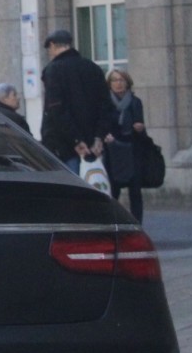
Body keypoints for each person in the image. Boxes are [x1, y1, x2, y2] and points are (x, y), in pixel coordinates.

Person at [40, 28, 111, 171]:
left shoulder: (53, 70)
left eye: (49, 48)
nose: (49, 52)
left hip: (65, 146)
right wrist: (99, 137)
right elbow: (105, 105)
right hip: (93, 144)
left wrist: (76, 140)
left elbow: (56, 109)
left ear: (53, 45)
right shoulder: (92, 67)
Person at [102, 69, 146, 223]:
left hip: (132, 149)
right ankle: (113, 224)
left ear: (127, 83)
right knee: (113, 190)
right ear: (109, 84)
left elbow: (141, 130)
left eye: (121, 80)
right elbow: (102, 124)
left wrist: (139, 128)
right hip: (113, 150)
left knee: (135, 191)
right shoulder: (106, 103)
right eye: (114, 80)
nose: (118, 83)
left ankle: (136, 224)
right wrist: (105, 135)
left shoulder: (135, 102)